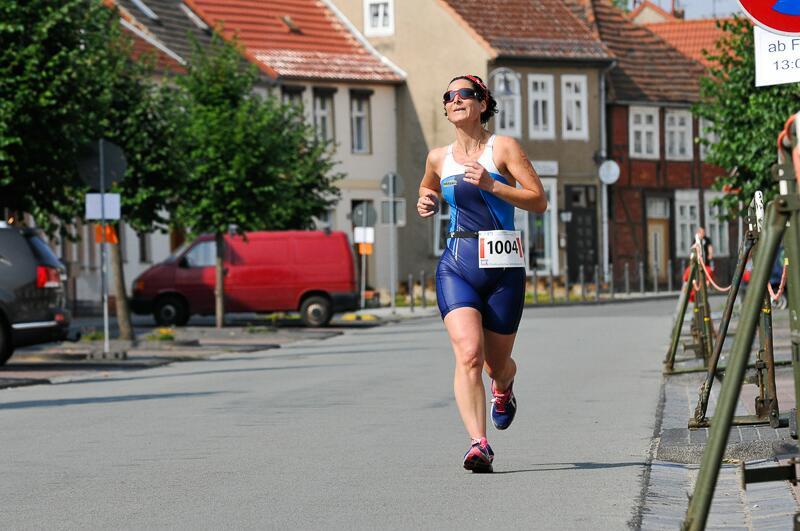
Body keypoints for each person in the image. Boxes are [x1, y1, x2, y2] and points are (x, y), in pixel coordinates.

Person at [416, 74, 547, 472]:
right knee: (469, 355)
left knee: (495, 364)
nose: (455, 100)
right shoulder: (438, 157)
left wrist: (493, 185)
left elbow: (538, 200)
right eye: (449, 96)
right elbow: (428, 187)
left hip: (503, 268)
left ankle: (503, 386)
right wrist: (427, 199)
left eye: (465, 94)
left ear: (483, 103)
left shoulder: (502, 147)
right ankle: (479, 444)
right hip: (457, 264)